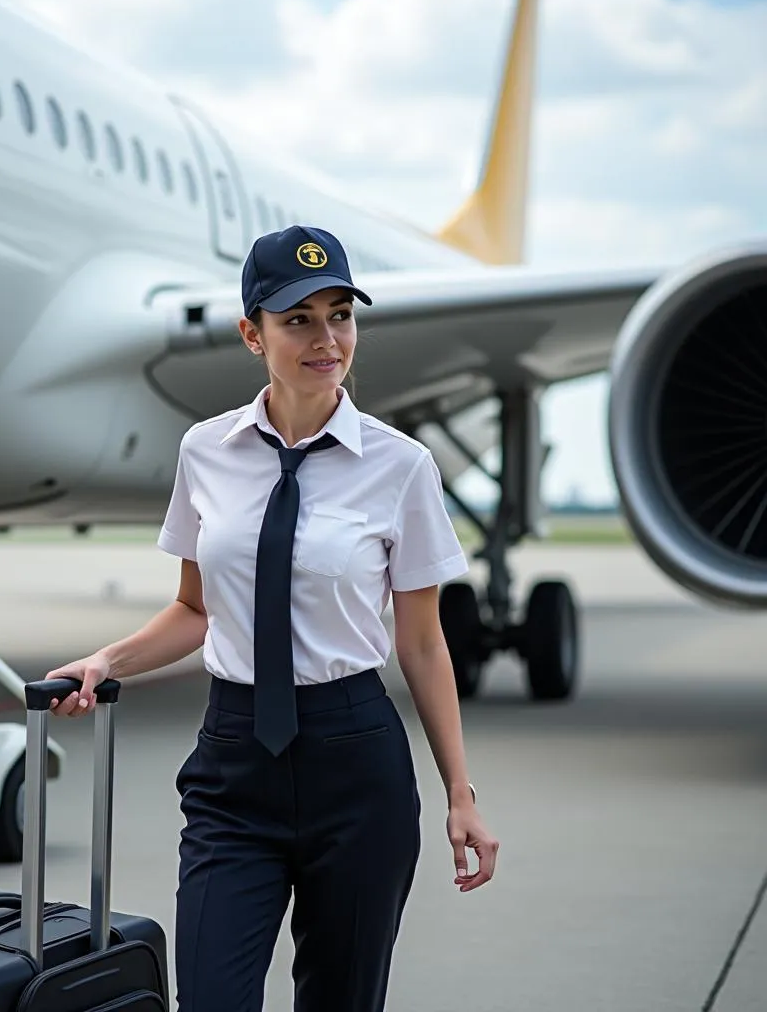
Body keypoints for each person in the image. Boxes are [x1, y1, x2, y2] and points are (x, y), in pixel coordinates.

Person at [46, 225, 499, 1012]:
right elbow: (195, 609)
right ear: (252, 333)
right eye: (298, 320)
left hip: (356, 761)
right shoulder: (205, 452)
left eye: (341, 315)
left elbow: (422, 644)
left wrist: (461, 792)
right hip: (233, 765)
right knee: (213, 997)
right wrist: (107, 659)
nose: (327, 340)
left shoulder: (401, 467)